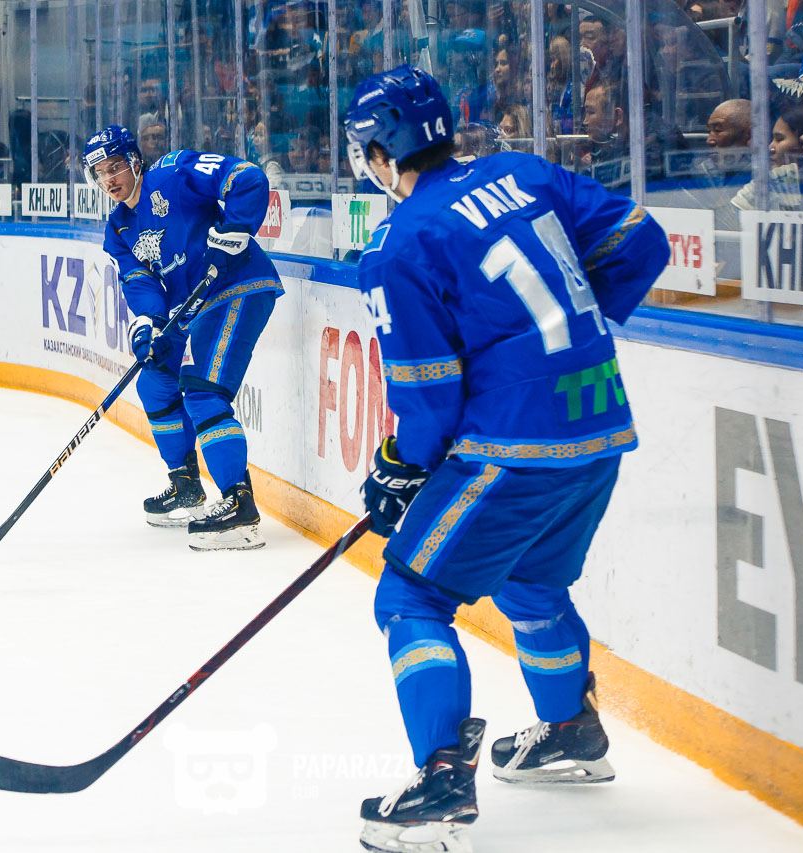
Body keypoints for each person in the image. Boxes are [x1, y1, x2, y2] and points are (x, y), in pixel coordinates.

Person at [342, 64, 667, 853]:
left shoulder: (398, 243)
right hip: (599, 424)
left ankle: (441, 783)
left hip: (514, 446)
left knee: (412, 595)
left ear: (380, 152)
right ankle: (570, 732)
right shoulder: (524, 173)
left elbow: (428, 400)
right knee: (531, 581)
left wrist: (399, 464)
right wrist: (562, 339)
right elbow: (641, 242)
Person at [81, 125, 283, 550]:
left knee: (202, 391)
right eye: (100, 173)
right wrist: (148, 324)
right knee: (155, 380)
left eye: (115, 167)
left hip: (236, 286)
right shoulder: (118, 229)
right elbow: (140, 282)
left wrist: (234, 231)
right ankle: (186, 485)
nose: (109, 179)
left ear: (134, 161)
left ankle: (239, 504)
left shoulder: (174, 172)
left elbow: (247, 178)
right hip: (189, 308)